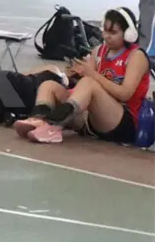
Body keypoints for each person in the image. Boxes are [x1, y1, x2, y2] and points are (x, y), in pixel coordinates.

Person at [13, 8, 152, 144]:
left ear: (129, 34)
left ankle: (53, 126)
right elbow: (85, 86)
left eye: (113, 32)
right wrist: (75, 75)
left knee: (89, 83)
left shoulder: (136, 57)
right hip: (92, 118)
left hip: (122, 122)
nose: (106, 36)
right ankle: (38, 119)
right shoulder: (99, 51)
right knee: (49, 86)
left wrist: (91, 75)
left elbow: (125, 94)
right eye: (105, 30)